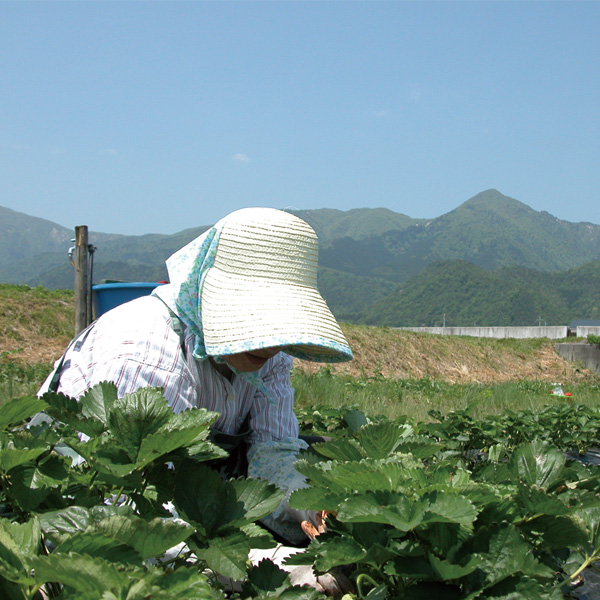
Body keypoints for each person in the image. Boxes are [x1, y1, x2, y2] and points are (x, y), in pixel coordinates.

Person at [38, 207, 353, 545]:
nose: (273, 343)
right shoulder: (147, 351)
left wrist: (316, 508)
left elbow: (273, 453)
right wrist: (255, 563)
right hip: (96, 507)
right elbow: (127, 507)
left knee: (318, 450)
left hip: (193, 491)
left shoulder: (271, 356)